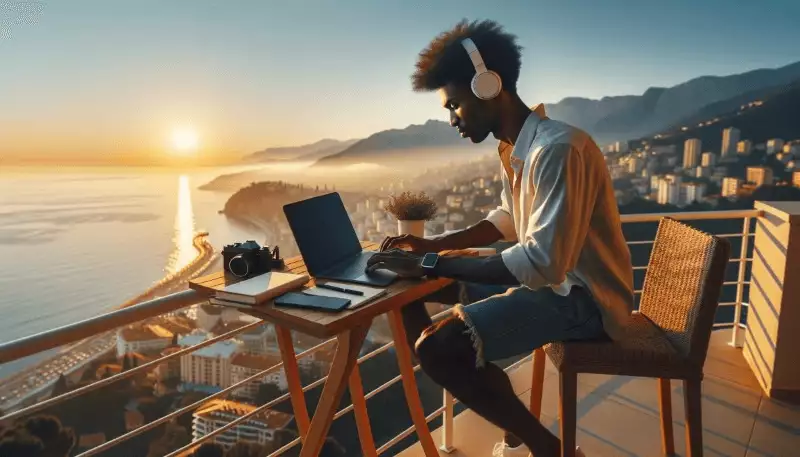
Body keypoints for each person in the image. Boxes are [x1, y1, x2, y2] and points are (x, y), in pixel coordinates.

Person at [365, 19, 634, 457]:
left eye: (453, 105)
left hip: (586, 302)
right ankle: (488, 392)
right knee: (412, 293)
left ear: (488, 86)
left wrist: (434, 264)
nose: (452, 118)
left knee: (440, 348)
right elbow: (507, 219)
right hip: (556, 287)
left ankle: (547, 447)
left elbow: (541, 264)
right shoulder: (516, 148)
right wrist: (433, 248)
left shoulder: (558, 149)